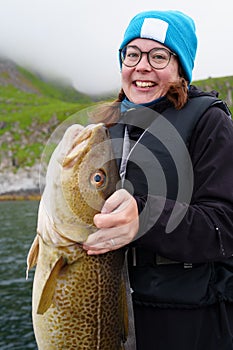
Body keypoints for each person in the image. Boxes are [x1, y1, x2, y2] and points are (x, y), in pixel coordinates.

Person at [83, 10, 233, 350]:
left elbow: (225, 222)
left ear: (180, 67)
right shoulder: (107, 129)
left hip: (189, 313)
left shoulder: (210, 122)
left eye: (159, 56)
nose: (142, 65)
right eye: (132, 54)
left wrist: (144, 216)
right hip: (108, 307)